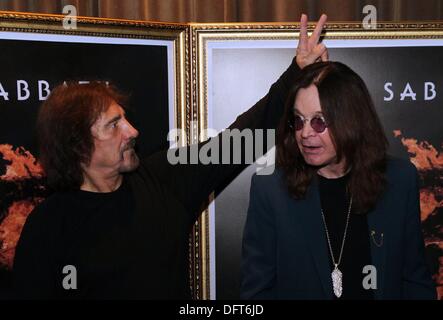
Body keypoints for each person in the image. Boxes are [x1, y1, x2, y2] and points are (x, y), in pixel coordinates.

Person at [12, 15, 328, 299]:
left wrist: (296, 74)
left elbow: (241, 140)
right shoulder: (48, 227)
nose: (132, 131)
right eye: (114, 125)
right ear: (78, 145)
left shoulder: (165, 178)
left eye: (125, 118)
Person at [240, 61, 437, 300]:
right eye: (299, 120)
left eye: (319, 121)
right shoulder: (271, 191)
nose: (305, 133)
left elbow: (415, 281)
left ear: (351, 120)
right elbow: (256, 296)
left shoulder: (399, 179)